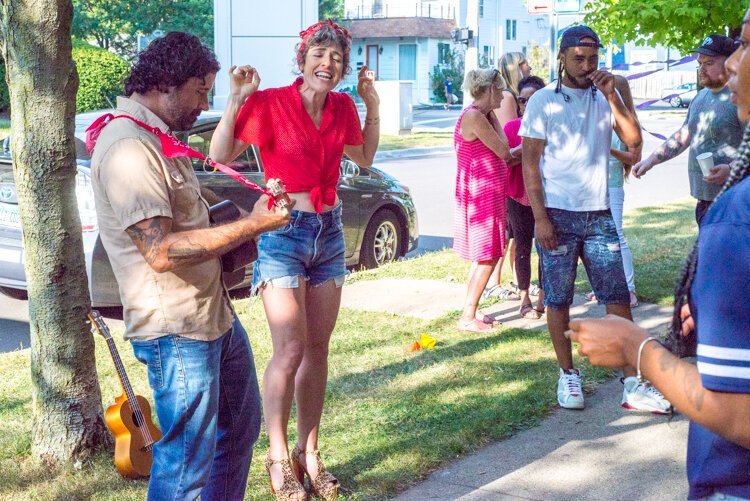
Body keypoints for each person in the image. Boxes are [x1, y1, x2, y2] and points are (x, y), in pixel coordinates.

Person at [89, 32, 292, 500]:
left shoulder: (156, 138)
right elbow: (160, 250)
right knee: (185, 463)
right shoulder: (127, 147)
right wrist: (253, 227)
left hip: (211, 316)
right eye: (201, 90)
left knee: (239, 430)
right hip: (176, 330)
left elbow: (193, 210)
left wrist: (250, 210)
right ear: (167, 83)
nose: (204, 103)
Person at [568, 12, 750, 498]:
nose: (732, 63)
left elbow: (738, 415)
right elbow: (677, 139)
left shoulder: (738, 221)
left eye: (747, 45)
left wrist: (636, 349)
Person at [208, 20, 379, 501]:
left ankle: (310, 453)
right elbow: (219, 154)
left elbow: (364, 158)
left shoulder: (343, 106)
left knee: (318, 349)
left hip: (328, 232)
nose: (328, 64)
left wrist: (373, 104)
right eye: (319, 54)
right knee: (290, 349)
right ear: (302, 58)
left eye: (337, 58)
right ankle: (278, 457)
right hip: (283, 233)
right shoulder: (270, 103)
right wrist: (238, 98)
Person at [520, 25, 670, 413]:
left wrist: (612, 96)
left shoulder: (607, 95)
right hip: (557, 212)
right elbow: (530, 165)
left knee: (617, 299)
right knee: (558, 298)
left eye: (592, 59)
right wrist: (541, 219)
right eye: (578, 59)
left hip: (599, 212)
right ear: (562, 57)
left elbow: (634, 145)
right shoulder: (542, 101)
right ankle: (568, 374)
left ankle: (632, 384)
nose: (587, 66)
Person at [633, 34, 743, 226]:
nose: (702, 68)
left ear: (730, 63)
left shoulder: (740, 97)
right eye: (700, 63)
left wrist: (731, 169)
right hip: (705, 201)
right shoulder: (700, 98)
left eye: (709, 63)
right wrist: (650, 161)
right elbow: (684, 136)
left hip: (735, 202)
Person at [453, 68, 512, 333]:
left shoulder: (482, 115)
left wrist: (492, 112)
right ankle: (467, 317)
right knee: (488, 256)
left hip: (486, 191)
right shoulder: (475, 116)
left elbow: (504, 145)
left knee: (483, 256)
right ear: (489, 89)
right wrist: (535, 148)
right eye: (499, 89)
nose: (503, 94)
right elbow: (506, 152)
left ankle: (472, 309)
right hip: (481, 194)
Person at [585, 75, 641, 308]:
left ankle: (629, 289)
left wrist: (607, 148)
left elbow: (634, 156)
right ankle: (604, 286)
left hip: (612, 184)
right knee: (597, 238)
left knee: (616, 235)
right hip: (592, 183)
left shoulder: (626, 122)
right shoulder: (599, 116)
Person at [484, 52, 535, 300]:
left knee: (517, 234)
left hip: (519, 173)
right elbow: (507, 139)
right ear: (515, 67)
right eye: (524, 63)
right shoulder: (507, 98)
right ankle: (494, 283)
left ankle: (519, 281)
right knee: (507, 232)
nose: (529, 66)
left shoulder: (514, 96)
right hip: (509, 174)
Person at [502, 75, 546, 319]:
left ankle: (542, 296)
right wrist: (528, 146)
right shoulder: (511, 128)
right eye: (522, 100)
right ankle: (524, 298)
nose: (526, 105)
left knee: (545, 247)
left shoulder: (551, 126)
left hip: (545, 197)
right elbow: (506, 158)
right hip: (517, 195)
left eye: (532, 100)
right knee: (522, 246)